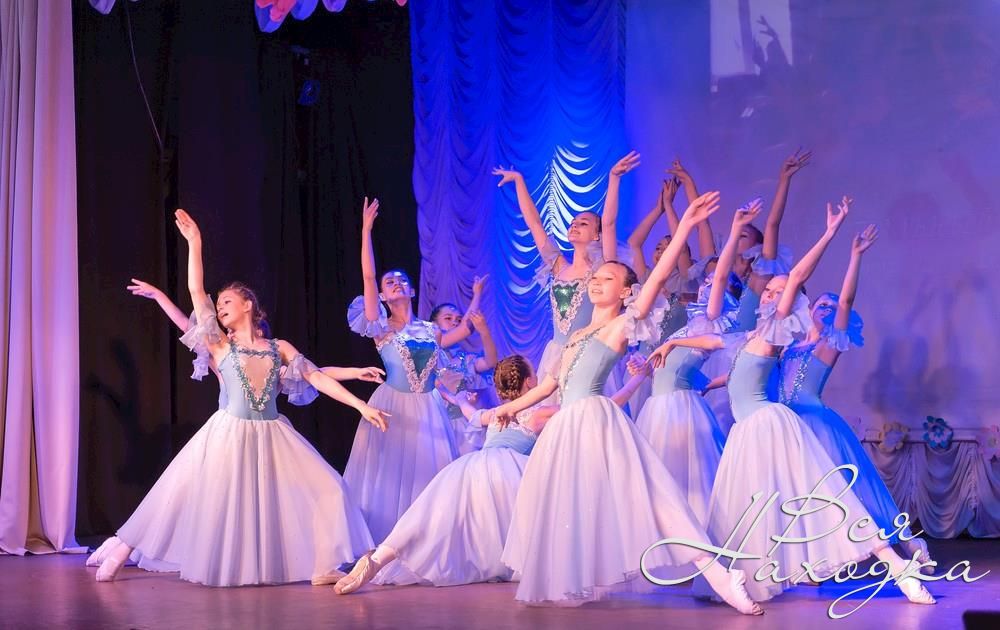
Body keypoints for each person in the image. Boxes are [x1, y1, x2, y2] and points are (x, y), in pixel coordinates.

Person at [488, 191, 763, 614]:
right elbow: (547, 388)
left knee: (652, 497)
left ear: (626, 292)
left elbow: (657, 278)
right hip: (567, 425)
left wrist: (686, 225)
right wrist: (505, 408)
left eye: (608, 278)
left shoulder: (620, 325)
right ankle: (573, 578)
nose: (597, 281)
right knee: (570, 501)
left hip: (595, 420)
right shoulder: (577, 335)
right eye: (596, 278)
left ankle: (722, 577)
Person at [91, 209, 387, 586]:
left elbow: (315, 374)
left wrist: (360, 404)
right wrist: (195, 243)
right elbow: (197, 294)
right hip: (228, 431)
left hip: (273, 435)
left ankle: (323, 565)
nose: (220, 307)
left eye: (228, 301)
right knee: (179, 490)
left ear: (248, 305)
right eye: (219, 305)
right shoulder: (219, 345)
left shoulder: (279, 348)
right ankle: (123, 547)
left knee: (329, 487)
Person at [777, 224, 933, 571]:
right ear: (809, 308)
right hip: (786, 426)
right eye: (822, 302)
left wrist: (855, 257)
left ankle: (908, 543)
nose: (827, 307)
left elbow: (847, 300)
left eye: (832, 306)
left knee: (852, 490)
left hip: (816, 426)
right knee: (800, 494)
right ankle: (811, 560)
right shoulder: (787, 345)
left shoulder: (827, 346)